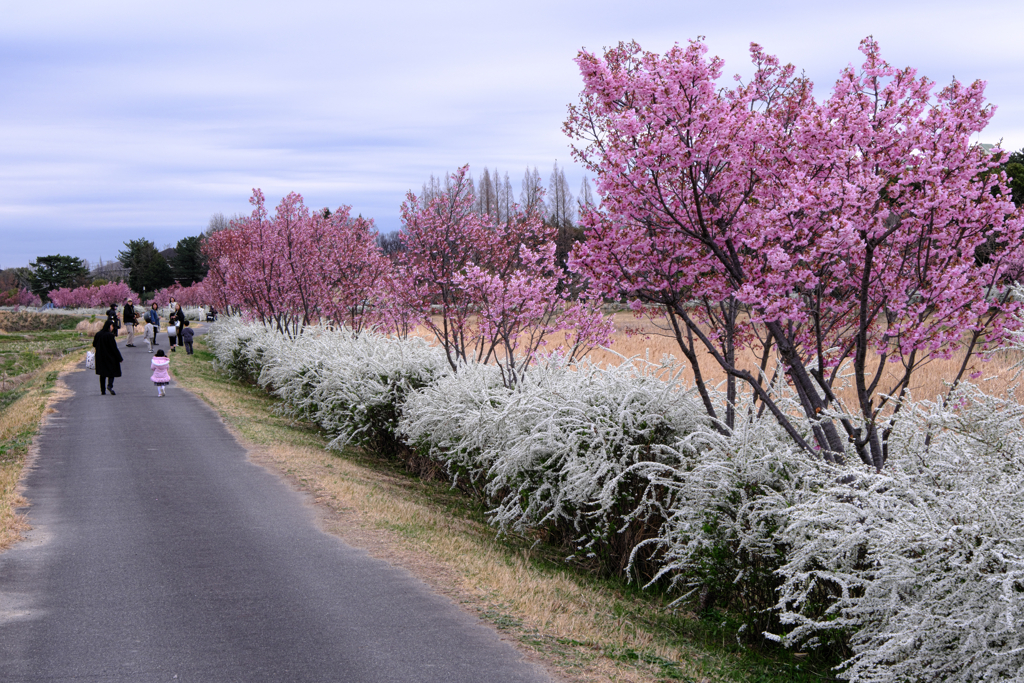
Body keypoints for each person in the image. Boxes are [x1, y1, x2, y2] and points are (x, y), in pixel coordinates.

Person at [92, 320, 123, 395]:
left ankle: (103, 391)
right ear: (109, 326)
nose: (112, 328)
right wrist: (119, 358)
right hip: (110, 356)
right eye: (112, 326)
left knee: (102, 374)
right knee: (112, 371)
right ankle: (110, 385)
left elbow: (94, 344)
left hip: (100, 356)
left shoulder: (98, 334)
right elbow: (114, 348)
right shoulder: (110, 335)